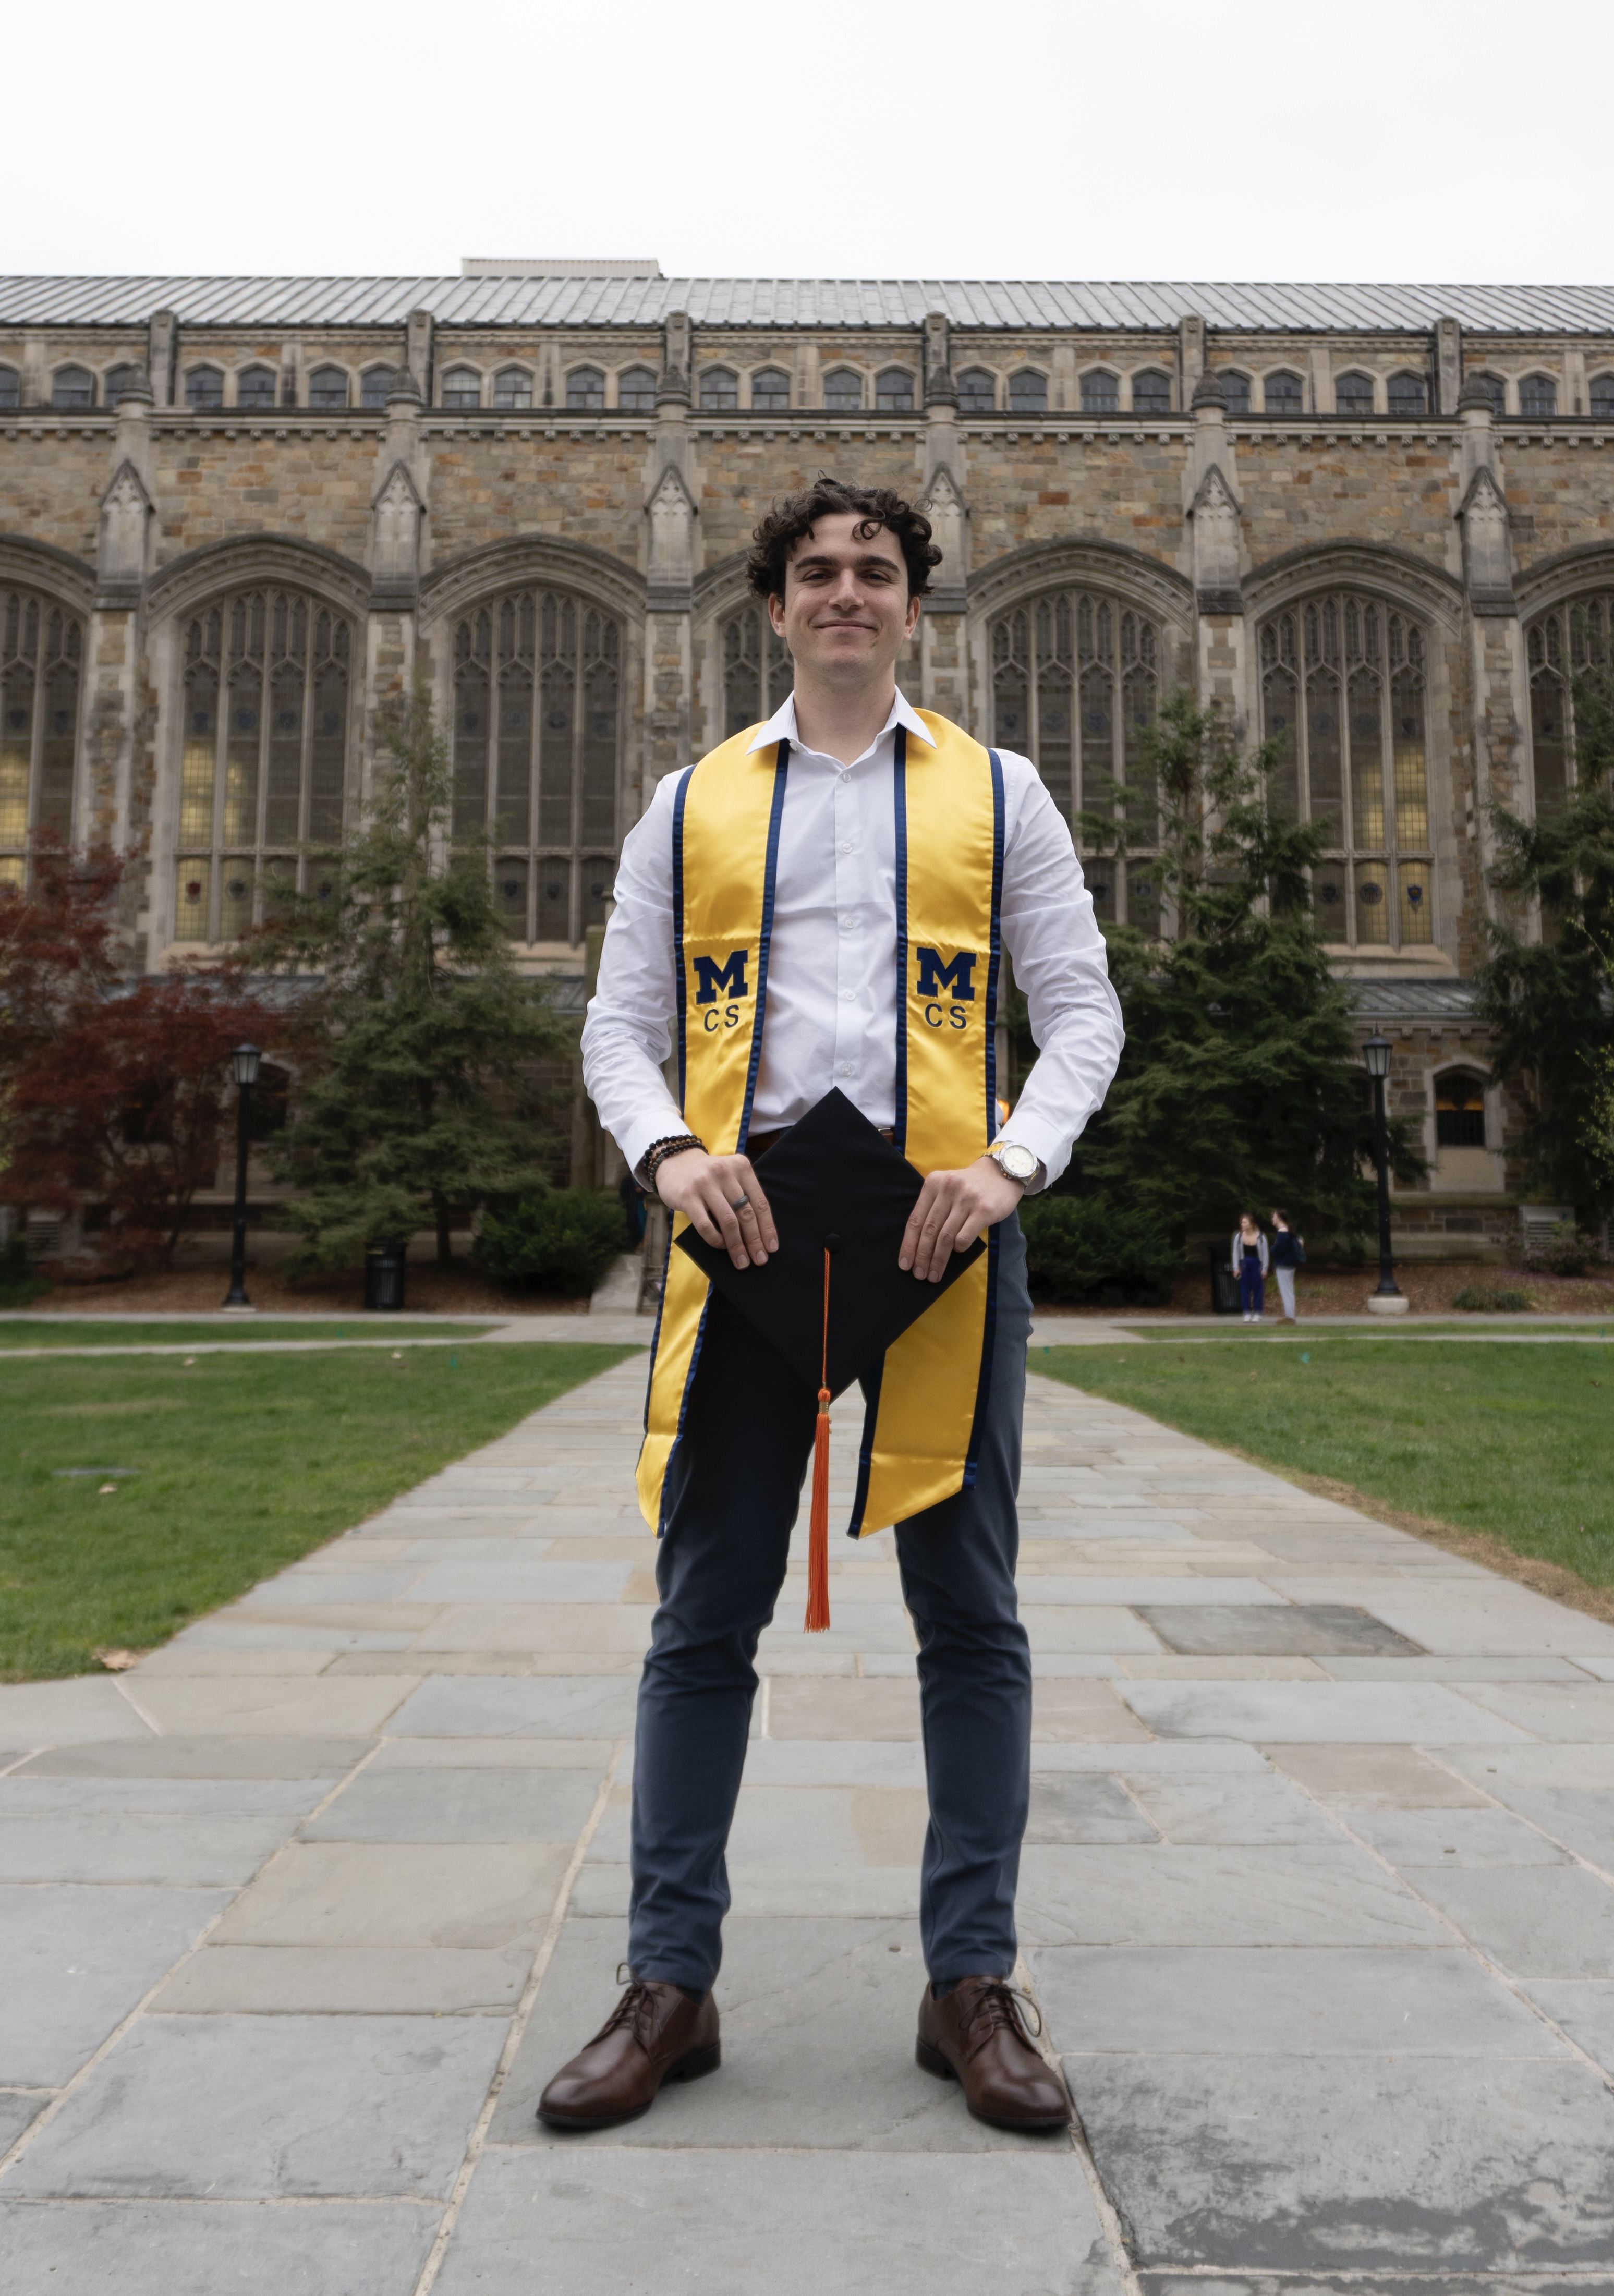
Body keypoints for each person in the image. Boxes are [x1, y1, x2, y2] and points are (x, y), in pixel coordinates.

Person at [552, 478, 1123, 2134]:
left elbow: (1080, 1012)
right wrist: (664, 1152)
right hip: (742, 1228)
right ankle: (671, 1980)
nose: (847, 592)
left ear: (915, 607)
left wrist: (1009, 1164)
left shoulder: (1000, 797)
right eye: (817, 572)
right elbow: (616, 1024)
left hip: (944, 1233)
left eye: (875, 570)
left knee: (972, 1617)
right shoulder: (692, 804)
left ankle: (970, 1985)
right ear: (774, 607)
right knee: (701, 1616)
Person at [1231, 1212, 1268, 1322]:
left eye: (1245, 1222)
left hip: (1257, 1263)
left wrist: (1265, 1268)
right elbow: (1235, 1253)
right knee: (1245, 1288)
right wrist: (1236, 1267)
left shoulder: (1261, 1237)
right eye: (1242, 1222)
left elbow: (1265, 1253)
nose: (1242, 1224)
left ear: (1251, 1224)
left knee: (1258, 1288)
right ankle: (1246, 1312)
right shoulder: (1239, 1237)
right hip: (1244, 1264)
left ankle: (1258, 1312)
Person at [1269, 1208, 1304, 1322]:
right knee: (1289, 1290)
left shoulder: (1282, 1232)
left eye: (1274, 1217)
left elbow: (1279, 1249)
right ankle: (1290, 1315)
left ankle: (1289, 1317)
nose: (1272, 1219)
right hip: (1289, 1264)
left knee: (1286, 1291)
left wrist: (1272, 1248)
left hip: (1283, 1265)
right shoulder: (1289, 1231)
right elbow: (1299, 1241)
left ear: (1279, 1218)